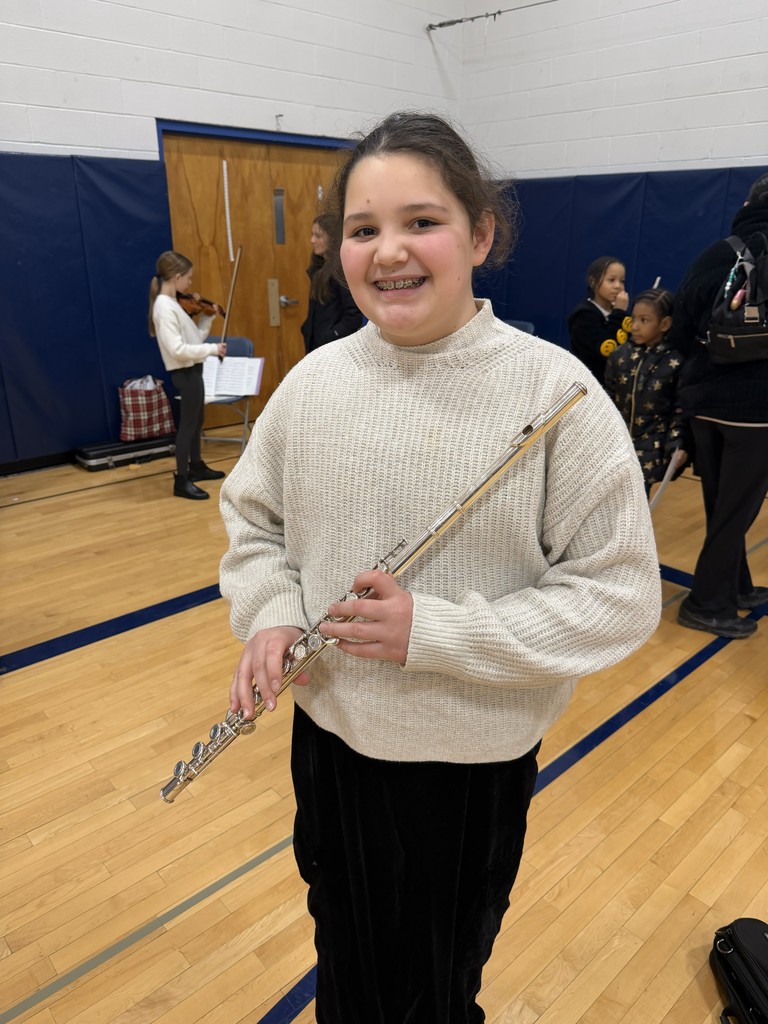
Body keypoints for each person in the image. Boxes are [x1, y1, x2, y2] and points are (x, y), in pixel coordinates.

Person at [219, 111, 661, 1024]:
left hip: (463, 770)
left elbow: (620, 597)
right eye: (362, 228)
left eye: (421, 222)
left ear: (481, 232)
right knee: (342, 954)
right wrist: (266, 613)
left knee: (429, 989)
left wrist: (436, 631)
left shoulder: (558, 395)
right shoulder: (315, 384)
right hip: (331, 744)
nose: (389, 252)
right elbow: (252, 518)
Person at [668, 172, 768, 639]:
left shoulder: (719, 251)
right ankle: (707, 604)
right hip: (757, 409)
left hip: (704, 400)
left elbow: (680, 323)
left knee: (721, 505)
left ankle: (736, 588)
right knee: (737, 510)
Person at [148, 251, 227, 500]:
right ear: (177, 276)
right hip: (184, 372)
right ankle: (181, 480)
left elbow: (194, 339)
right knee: (188, 426)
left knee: (197, 420)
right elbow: (178, 350)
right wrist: (213, 350)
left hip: (193, 369)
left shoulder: (174, 304)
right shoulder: (164, 307)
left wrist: (207, 320)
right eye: (188, 278)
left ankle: (196, 466)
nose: (190, 284)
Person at [604, 288, 687, 495]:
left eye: (644, 320)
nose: (635, 326)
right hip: (616, 447)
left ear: (665, 324)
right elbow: (607, 398)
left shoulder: (675, 362)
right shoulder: (620, 356)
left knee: (638, 501)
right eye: (633, 319)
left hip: (651, 449)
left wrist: (677, 443)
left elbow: (680, 410)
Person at [300, 213, 363, 354]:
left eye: (318, 236)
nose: (312, 240)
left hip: (333, 347)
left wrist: (331, 336)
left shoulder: (341, 271)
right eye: (312, 235)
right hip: (317, 345)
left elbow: (353, 316)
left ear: (333, 238)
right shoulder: (318, 268)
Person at [567, 256, 632, 384]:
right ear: (592, 282)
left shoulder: (617, 312)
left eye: (622, 281)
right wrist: (619, 313)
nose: (618, 286)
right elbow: (605, 349)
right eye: (611, 280)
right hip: (589, 383)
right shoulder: (583, 315)